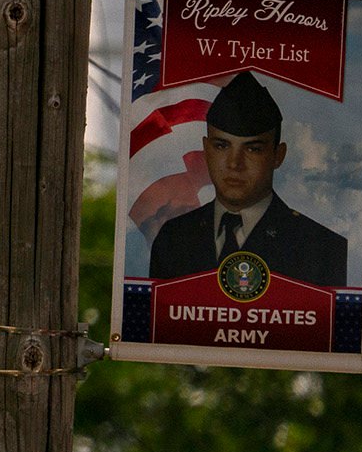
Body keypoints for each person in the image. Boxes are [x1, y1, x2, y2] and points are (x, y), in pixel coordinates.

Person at [148, 71, 349, 290]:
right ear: (206, 150)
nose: (235, 163)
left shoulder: (322, 248)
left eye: (253, 149)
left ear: (278, 155)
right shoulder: (174, 239)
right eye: (222, 146)